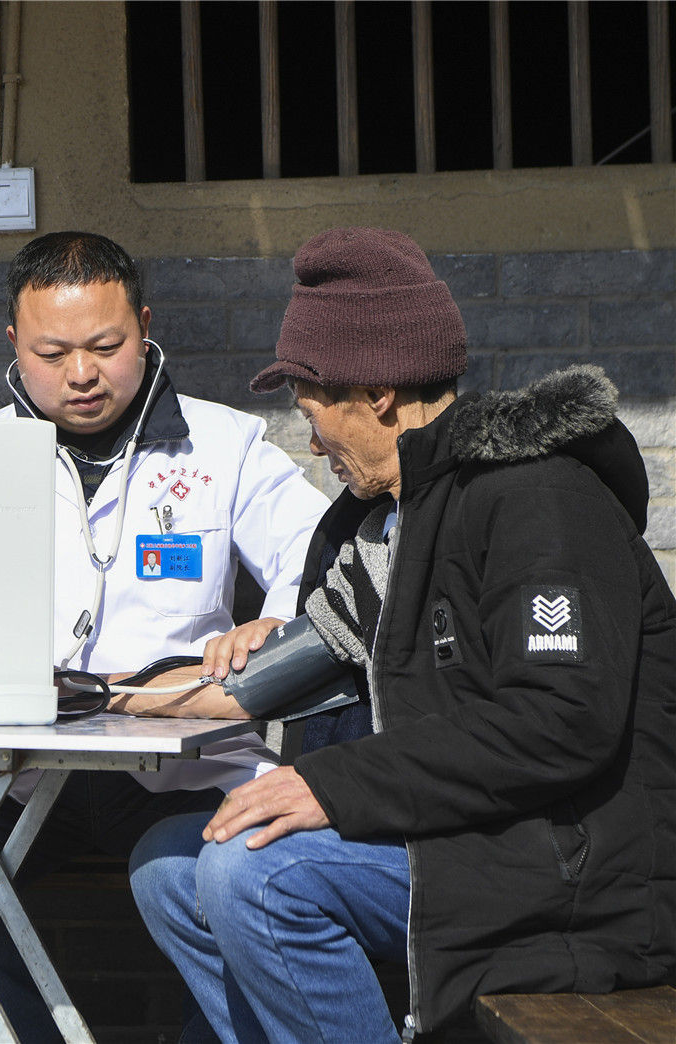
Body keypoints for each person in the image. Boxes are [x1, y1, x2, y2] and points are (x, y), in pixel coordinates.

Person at [129, 227, 676, 1043]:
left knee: (253, 875)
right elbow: (265, 682)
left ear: (378, 394)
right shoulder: (378, 526)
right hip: (455, 831)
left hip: (568, 868)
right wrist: (87, 695)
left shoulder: (539, 498)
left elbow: (561, 718)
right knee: (169, 865)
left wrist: (336, 785)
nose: (312, 442)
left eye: (312, 413)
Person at [0, 231, 329, 1041]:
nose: (81, 373)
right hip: (2, 774)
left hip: (183, 765)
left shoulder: (226, 447)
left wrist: (278, 617)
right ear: (14, 344)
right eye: (52, 353)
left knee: (243, 871)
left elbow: (319, 557)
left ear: (145, 328)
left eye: (105, 346)